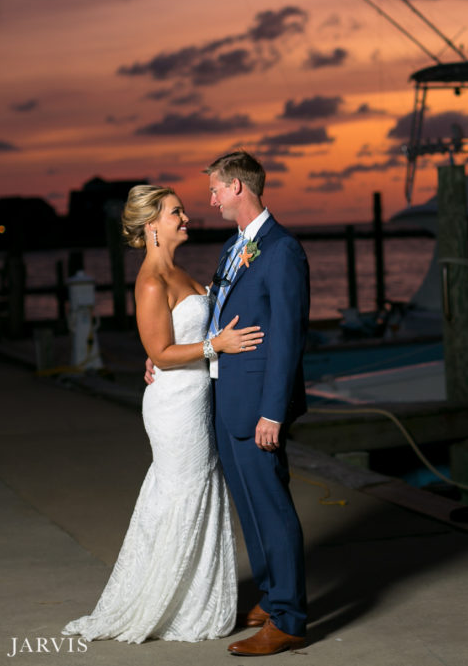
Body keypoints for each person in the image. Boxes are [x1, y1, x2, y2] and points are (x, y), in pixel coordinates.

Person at [63, 185, 263, 644]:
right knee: (183, 495)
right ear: (152, 224)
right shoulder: (152, 280)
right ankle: (166, 603)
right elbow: (160, 350)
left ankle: (196, 599)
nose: (187, 217)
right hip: (175, 407)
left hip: (197, 398)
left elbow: (181, 333)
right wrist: (216, 345)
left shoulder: (177, 271)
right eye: (177, 212)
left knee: (200, 493)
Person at [202, 150, 311, 656]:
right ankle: (271, 596)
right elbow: (218, 317)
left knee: (272, 506)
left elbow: (288, 338)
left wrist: (274, 411)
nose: (212, 197)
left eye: (217, 189)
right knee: (249, 506)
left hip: (258, 406)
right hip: (229, 397)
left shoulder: (282, 249)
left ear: (239, 188)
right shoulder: (233, 247)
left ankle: (288, 619)